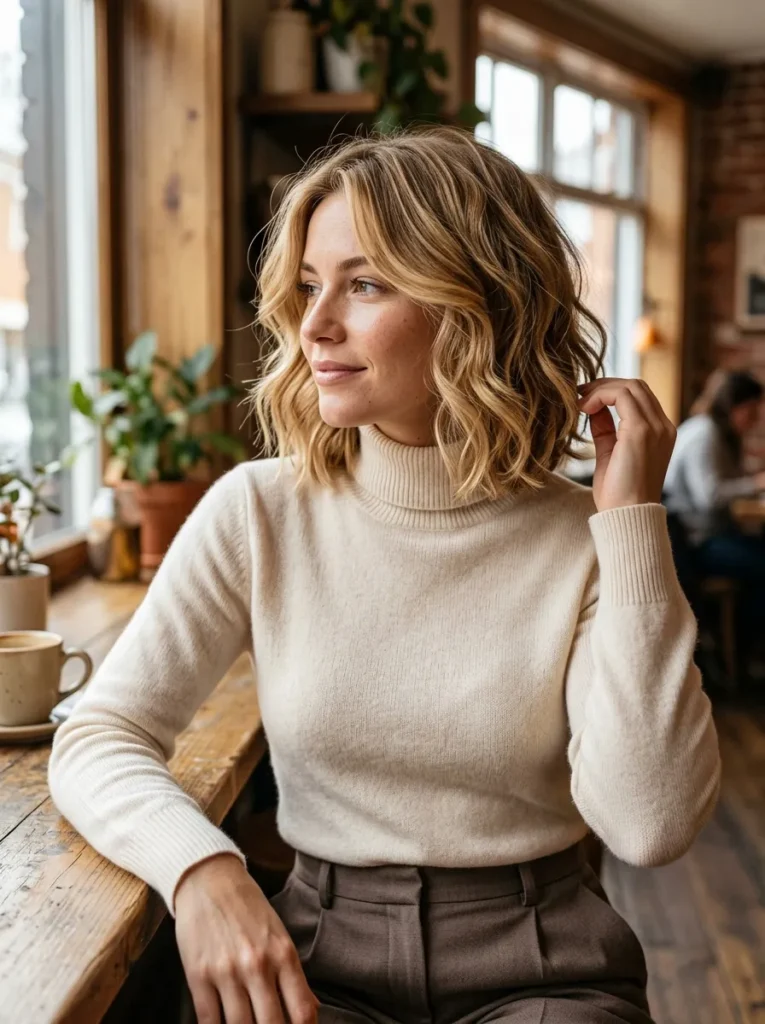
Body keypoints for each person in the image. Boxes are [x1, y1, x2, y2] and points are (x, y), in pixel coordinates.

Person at [48, 127, 720, 1024]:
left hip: (547, 970)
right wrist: (203, 870)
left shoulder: (584, 537)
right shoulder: (259, 510)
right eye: (308, 286)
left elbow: (650, 824)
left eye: (363, 284)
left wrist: (631, 524)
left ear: (477, 302)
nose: (315, 324)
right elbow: (98, 737)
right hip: (317, 962)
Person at [663, 368, 765, 668]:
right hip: (694, 544)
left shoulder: (717, 433)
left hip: (708, 535)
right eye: (753, 409)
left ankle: (738, 648)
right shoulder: (704, 434)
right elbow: (709, 498)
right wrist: (757, 483)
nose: (756, 418)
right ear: (736, 404)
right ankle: (741, 653)